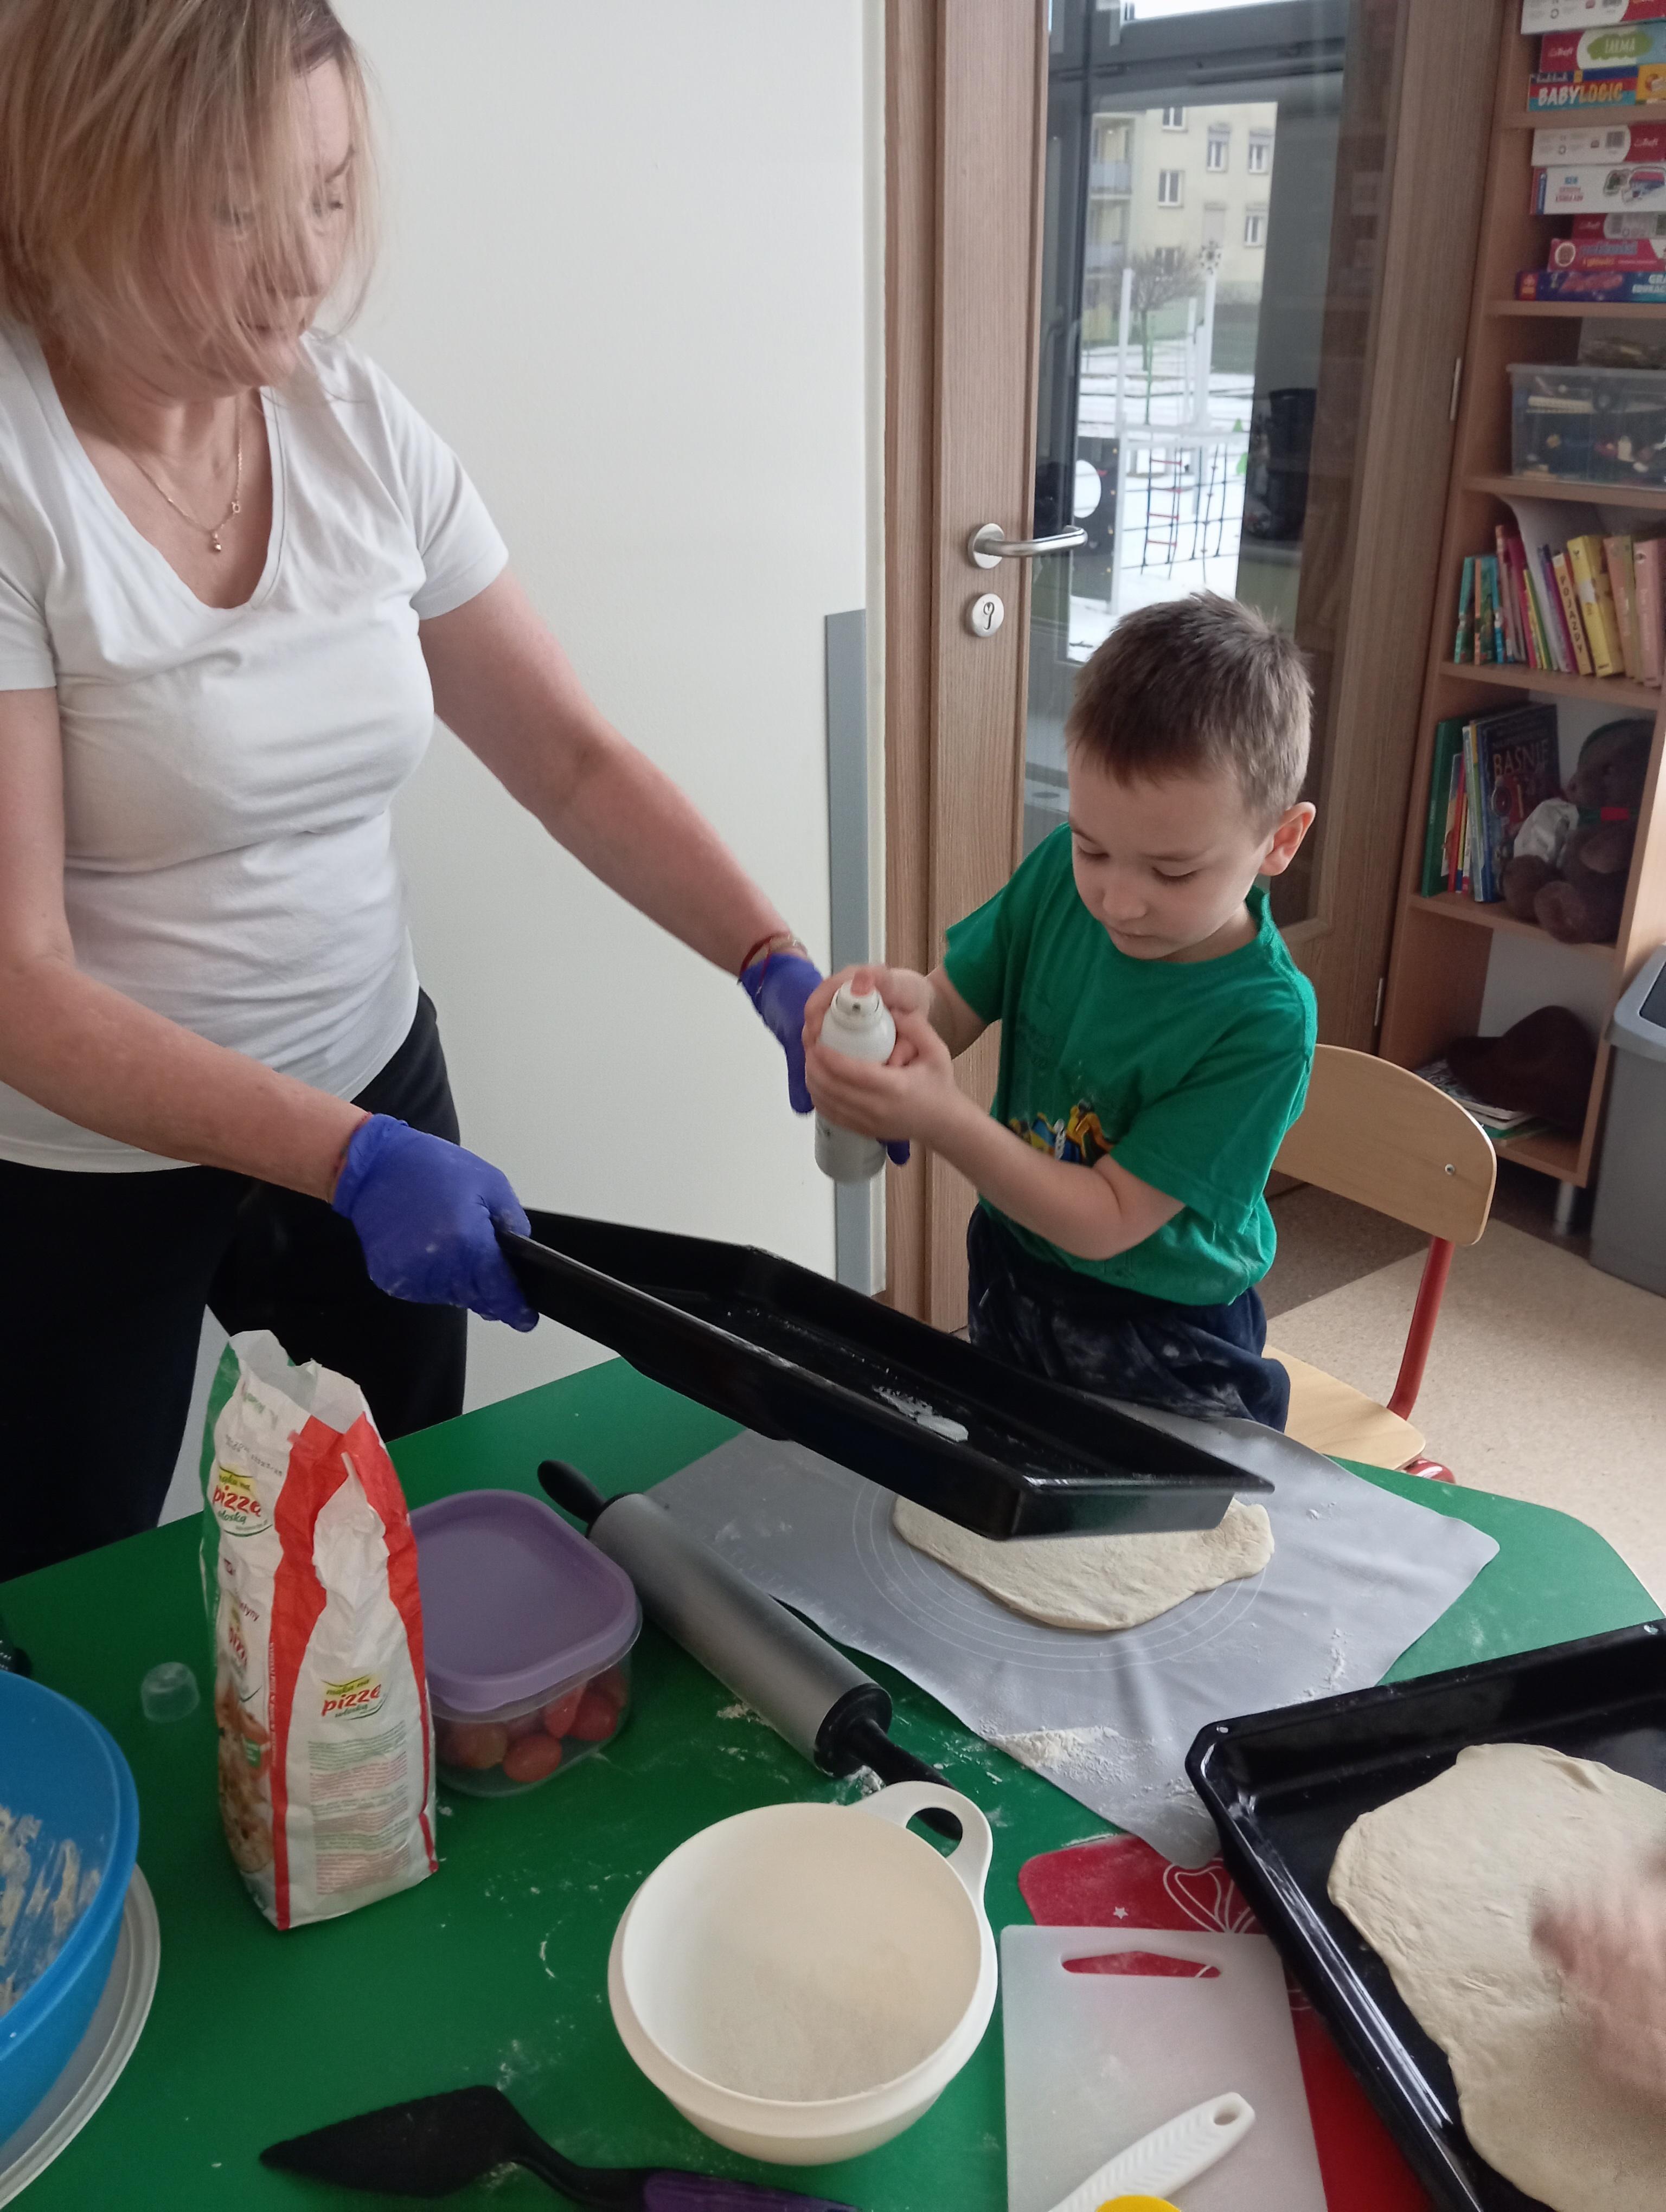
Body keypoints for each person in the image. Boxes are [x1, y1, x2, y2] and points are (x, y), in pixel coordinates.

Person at [0, 0, 822, 1578]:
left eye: (328, 194)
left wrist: (770, 958)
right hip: (85, 1169)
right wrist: (343, 1157)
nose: (304, 265)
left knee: (388, 1549)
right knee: (60, 1583)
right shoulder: (19, 474)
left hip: (372, 1083)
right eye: (239, 210)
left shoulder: (354, 425)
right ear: (85, 185)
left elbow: (570, 760)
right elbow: (20, 986)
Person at [805, 593, 1316, 1431]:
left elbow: (1108, 1220)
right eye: (1092, 846)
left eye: (1172, 872)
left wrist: (940, 1118)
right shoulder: (1057, 880)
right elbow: (950, 1003)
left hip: (1163, 1332)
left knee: (1146, 1506)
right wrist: (896, 1010)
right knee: (1008, 1468)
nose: (1118, 899)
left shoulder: (1264, 1023)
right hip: (1014, 1265)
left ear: (1280, 841)